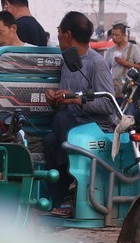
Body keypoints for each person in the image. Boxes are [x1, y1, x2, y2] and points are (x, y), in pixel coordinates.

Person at [43, 11, 119, 215]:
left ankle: (72, 191)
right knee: (50, 140)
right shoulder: (68, 62)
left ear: (68, 35)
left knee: (60, 120)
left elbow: (108, 105)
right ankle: (60, 201)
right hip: (71, 125)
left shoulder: (96, 63)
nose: (57, 35)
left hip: (96, 128)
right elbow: (65, 102)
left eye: (59, 32)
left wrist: (77, 99)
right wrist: (55, 98)